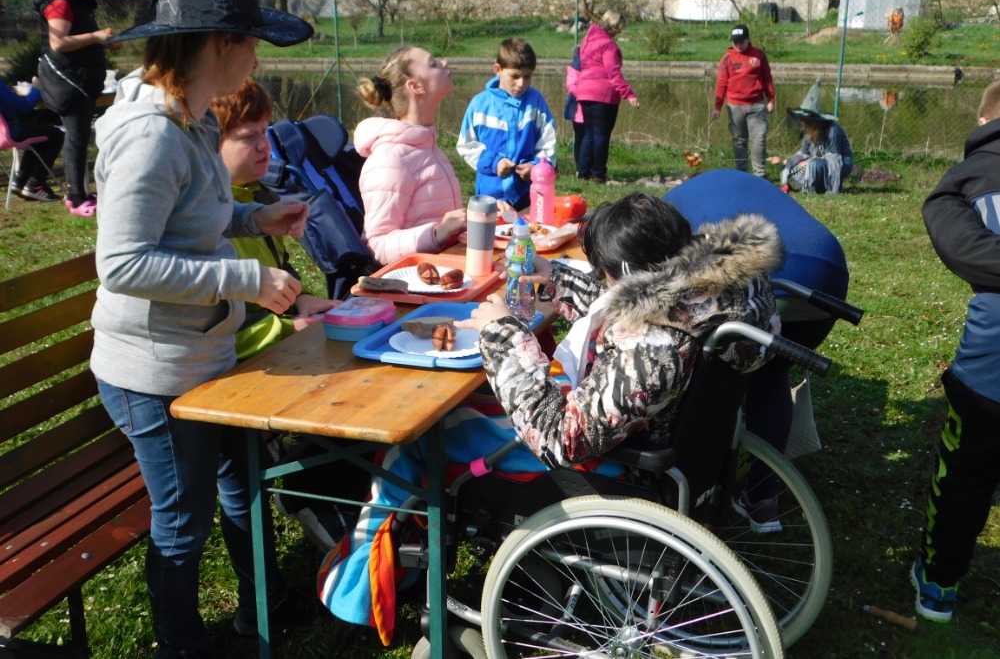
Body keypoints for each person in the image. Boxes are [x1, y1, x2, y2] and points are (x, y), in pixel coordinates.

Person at [317, 192, 781, 639]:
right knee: (472, 409)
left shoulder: (653, 348)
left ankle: (361, 585)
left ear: (626, 274)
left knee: (427, 433)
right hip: (669, 447)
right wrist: (556, 279)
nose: (601, 281)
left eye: (603, 274)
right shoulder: (717, 296)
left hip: (612, 469)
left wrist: (502, 334)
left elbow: (561, 438)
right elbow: (626, 303)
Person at [90, 0, 316, 658]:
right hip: (153, 372)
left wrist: (256, 218)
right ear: (221, 44)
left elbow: (191, 222)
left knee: (241, 485)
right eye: (252, 42)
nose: (257, 57)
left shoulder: (194, 118)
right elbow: (123, 263)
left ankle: (260, 610)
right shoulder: (150, 136)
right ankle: (180, 647)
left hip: (202, 353)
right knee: (182, 522)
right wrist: (244, 280)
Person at [666, 169, 850, 531]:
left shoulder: (665, 214)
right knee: (771, 373)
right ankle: (762, 498)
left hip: (762, 265)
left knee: (706, 372)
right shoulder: (718, 187)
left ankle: (701, 483)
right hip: (826, 267)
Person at [912, 79, 1000, 623]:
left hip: (991, 366)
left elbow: (961, 247)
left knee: (965, 472)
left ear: (985, 119)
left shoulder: (966, 177)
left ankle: (938, 584)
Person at [212, 78, 341, 360]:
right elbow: (216, 327)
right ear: (210, 142)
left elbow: (279, 265)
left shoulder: (261, 196)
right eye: (249, 136)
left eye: (264, 131)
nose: (265, 145)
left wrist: (301, 298)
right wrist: (285, 329)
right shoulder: (202, 214)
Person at [355, 46, 467, 266]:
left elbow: (444, 221)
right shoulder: (390, 160)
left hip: (449, 273)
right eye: (433, 63)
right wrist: (436, 233)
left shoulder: (429, 147)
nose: (444, 63)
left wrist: (484, 213)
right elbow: (376, 245)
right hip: (418, 284)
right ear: (416, 86)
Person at [33, 0, 116, 216]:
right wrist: (96, 36)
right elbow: (58, 43)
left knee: (79, 138)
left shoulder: (77, 4)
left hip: (78, 79)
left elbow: (78, 42)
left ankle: (80, 194)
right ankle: (77, 198)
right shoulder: (60, 4)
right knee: (76, 138)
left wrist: (103, 43)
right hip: (66, 81)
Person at [456, 37, 557, 210]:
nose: (521, 84)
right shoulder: (480, 104)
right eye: (515, 76)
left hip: (528, 194)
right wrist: (494, 163)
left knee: (530, 227)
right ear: (498, 70)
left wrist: (536, 168)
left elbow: (548, 143)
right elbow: (466, 145)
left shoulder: (536, 102)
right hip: (490, 195)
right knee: (491, 228)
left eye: (527, 77)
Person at [575, 10, 640, 183]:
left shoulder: (587, 41)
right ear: (614, 26)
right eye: (619, 28)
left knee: (589, 134)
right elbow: (614, 74)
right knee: (602, 135)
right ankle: (598, 174)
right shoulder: (608, 45)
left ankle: (583, 172)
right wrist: (629, 94)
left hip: (584, 91)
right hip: (602, 94)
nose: (620, 31)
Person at [711, 23, 776, 178]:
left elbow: (767, 78)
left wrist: (771, 98)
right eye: (735, 42)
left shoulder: (759, 55)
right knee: (739, 140)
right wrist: (717, 107)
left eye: (741, 41)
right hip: (735, 106)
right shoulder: (727, 59)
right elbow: (722, 83)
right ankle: (742, 174)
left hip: (756, 105)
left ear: (748, 39)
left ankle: (759, 174)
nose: (738, 45)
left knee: (759, 139)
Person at [780, 79, 854, 194]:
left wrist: (808, 163)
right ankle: (813, 183)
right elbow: (804, 153)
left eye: (805, 120)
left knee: (813, 165)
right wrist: (787, 162)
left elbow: (834, 161)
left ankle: (821, 186)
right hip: (818, 161)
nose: (802, 122)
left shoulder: (832, 129)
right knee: (791, 167)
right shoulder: (808, 131)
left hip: (839, 163)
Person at [1, 76, 65, 202]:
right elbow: (24, 106)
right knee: (56, 135)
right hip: (11, 132)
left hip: (2, 133)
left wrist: (9, 92)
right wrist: (36, 88)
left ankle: (20, 181)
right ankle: (35, 184)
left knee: (38, 136)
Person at [564, 44, 585, 173]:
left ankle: (587, 167)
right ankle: (580, 168)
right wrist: (587, 94)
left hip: (590, 110)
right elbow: (571, 85)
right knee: (580, 139)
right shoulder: (575, 67)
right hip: (578, 111)